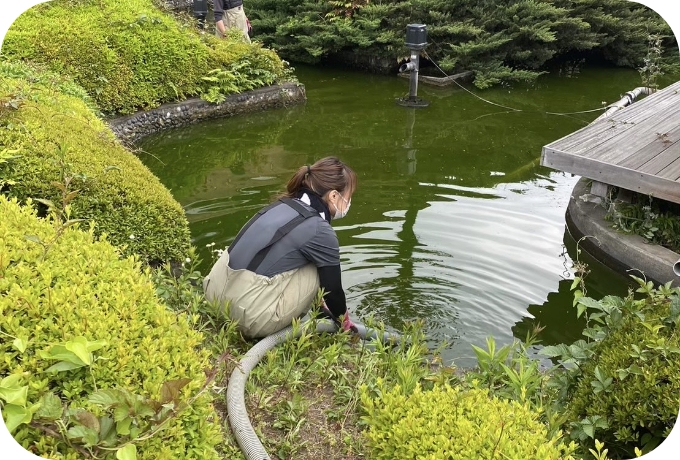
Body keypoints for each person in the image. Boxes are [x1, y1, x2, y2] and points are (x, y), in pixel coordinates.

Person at [204, 156, 358, 338]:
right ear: (334, 195)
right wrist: (345, 323)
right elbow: (333, 290)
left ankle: (318, 308)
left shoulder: (280, 206)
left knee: (308, 256)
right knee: (321, 265)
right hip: (248, 317)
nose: (348, 202)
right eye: (348, 196)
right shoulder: (319, 229)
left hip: (213, 296)